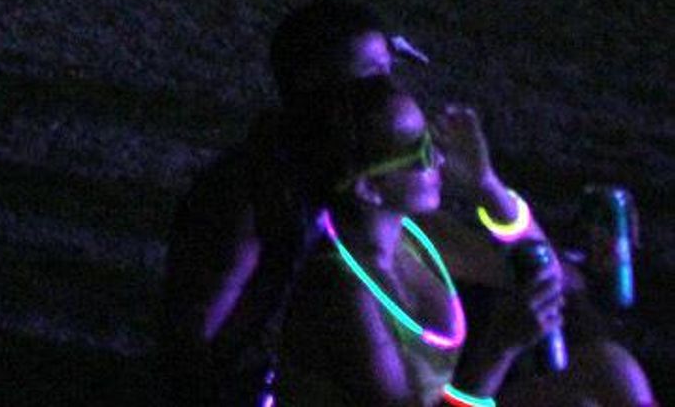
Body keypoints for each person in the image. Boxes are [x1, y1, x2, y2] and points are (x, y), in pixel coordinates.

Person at [276, 75, 653, 406]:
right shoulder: (344, 293)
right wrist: (498, 350)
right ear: (369, 188)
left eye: (431, 139)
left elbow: (546, 271)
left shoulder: (413, 234)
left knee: (610, 368)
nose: (440, 160)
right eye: (420, 153)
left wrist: (486, 186)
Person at [160, 0, 402, 407]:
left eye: (388, 69)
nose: (389, 89)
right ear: (312, 82)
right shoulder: (255, 190)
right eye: (372, 74)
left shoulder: (340, 164)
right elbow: (199, 332)